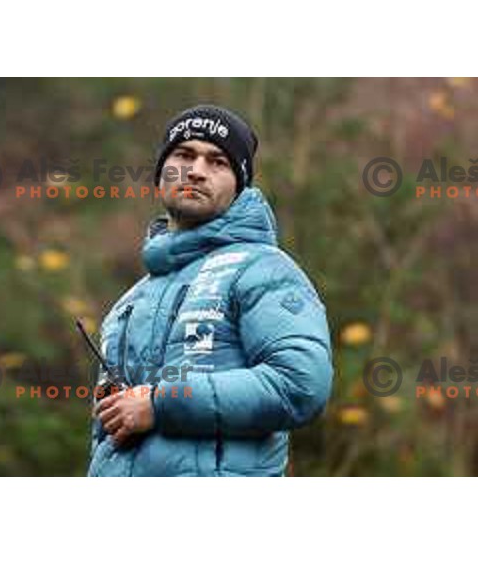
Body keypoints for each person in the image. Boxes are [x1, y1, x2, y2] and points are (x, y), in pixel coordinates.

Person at [88, 104, 333, 476]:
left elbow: (300, 385)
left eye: (217, 162)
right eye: (184, 155)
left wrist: (159, 405)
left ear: (239, 187)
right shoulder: (128, 303)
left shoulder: (263, 268)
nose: (197, 171)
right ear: (159, 176)